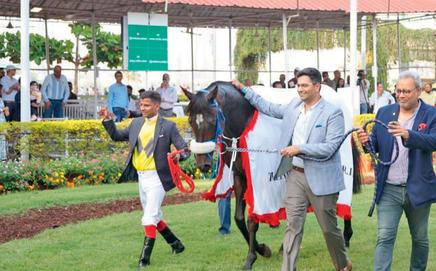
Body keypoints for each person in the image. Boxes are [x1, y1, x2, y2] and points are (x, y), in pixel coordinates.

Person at [232, 67, 352, 271]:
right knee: (293, 227)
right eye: (298, 85)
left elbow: (330, 147)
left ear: (317, 86)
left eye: (305, 85)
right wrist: (245, 90)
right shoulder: (294, 106)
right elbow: (267, 107)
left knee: (328, 229)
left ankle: (342, 264)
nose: (300, 90)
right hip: (295, 177)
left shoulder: (333, 113)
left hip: (322, 179)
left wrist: (299, 149)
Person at [357, 70, 436, 271]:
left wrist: (408, 135)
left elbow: (433, 141)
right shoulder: (384, 112)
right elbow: (375, 144)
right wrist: (367, 142)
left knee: (420, 239)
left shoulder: (431, 114)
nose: (400, 95)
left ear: (418, 91)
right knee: (384, 237)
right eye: (398, 90)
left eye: (406, 91)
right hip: (389, 188)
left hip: (417, 187)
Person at [100, 90, 189, 268]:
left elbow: (185, 150)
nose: (142, 108)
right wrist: (107, 120)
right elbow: (117, 136)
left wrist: (178, 156)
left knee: (149, 217)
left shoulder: (168, 126)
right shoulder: (136, 123)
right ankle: (176, 245)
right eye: (141, 105)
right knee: (154, 216)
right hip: (142, 178)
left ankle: (144, 260)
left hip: (158, 178)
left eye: (146, 105)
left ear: (157, 106)